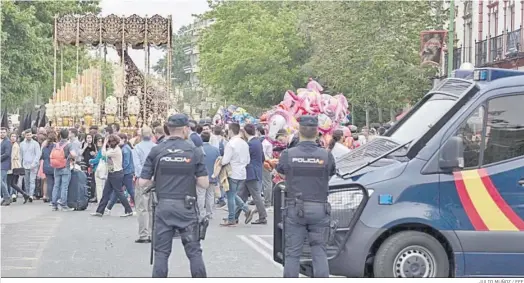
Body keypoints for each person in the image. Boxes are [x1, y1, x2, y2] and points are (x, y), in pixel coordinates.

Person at [138, 113, 209, 278]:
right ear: (185, 129)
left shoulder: (157, 150)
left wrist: (158, 179)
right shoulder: (194, 151)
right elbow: (204, 183)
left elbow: (142, 182)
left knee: (161, 253)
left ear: (168, 129)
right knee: (194, 252)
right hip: (187, 207)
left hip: (164, 207)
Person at [276, 115, 336, 278]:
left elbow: (280, 170)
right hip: (319, 208)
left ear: (299, 132)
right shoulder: (326, 155)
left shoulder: (288, 154)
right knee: (319, 252)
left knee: (292, 254)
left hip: (295, 208)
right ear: (317, 132)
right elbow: (331, 172)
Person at [91, 134, 133, 217]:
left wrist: (104, 144)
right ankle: (99, 211)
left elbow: (103, 154)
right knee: (106, 192)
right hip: (113, 173)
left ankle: (129, 210)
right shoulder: (115, 149)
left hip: (116, 174)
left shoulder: (115, 151)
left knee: (119, 193)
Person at [220, 123, 253, 226]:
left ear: (230, 130)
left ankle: (232, 218)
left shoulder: (231, 144)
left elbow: (225, 160)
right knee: (233, 194)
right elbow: (248, 160)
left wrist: (219, 161)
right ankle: (244, 210)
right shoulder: (245, 143)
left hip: (232, 172)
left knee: (230, 195)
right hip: (242, 172)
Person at [132, 126, 156, 243]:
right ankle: (152, 232)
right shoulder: (156, 148)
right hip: (154, 180)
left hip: (142, 179)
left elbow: (137, 166)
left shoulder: (137, 148)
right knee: (152, 207)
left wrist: (143, 176)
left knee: (142, 208)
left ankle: (144, 234)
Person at [240, 123, 267, 224]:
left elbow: (244, 158)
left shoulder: (250, 144)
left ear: (245, 132)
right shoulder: (258, 142)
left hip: (251, 173)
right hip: (255, 171)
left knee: (256, 196)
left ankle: (263, 216)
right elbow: (263, 158)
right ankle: (234, 216)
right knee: (241, 195)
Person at [104, 133, 135, 215]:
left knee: (129, 191)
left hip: (126, 173)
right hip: (125, 172)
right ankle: (109, 208)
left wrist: (119, 169)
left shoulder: (125, 149)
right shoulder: (124, 148)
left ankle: (135, 207)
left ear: (123, 139)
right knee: (118, 191)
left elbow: (126, 163)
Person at [51, 129, 77, 211]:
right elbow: (73, 154)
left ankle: (54, 204)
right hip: (65, 167)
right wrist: (71, 158)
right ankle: (63, 204)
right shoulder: (69, 145)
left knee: (56, 186)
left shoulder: (56, 145)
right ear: (67, 136)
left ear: (60, 135)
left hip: (56, 167)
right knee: (64, 187)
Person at [200, 131, 220, 219]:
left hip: (201, 176)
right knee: (210, 195)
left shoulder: (199, 149)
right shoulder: (215, 150)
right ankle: (209, 213)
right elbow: (219, 163)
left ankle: (200, 213)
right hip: (212, 175)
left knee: (201, 195)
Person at [20, 129, 41, 202]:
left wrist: (34, 163)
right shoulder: (22, 144)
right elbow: (21, 155)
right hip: (25, 164)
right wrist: (21, 164)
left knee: (32, 180)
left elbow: (38, 154)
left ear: (32, 135)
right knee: (26, 181)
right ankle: (27, 194)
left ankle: (31, 195)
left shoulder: (35, 144)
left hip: (33, 165)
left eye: (30, 135)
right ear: (25, 135)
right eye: (27, 135)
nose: (28, 136)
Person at [7, 132, 29, 203]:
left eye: (14, 136)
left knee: (10, 183)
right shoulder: (12, 144)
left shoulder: (15, 146)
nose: (13, 137)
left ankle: (8, 197)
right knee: (12, 183)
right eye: (12, 136)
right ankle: (24, 194)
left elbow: (12, 156)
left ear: (16, 138)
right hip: (14, 166)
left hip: (13, 166)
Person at [259, 125, 273, 209]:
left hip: (266, 162)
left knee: (267, 183)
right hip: (268, 162)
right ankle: (268, 201)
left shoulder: (265, 143)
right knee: (267, 182)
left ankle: (268, 201)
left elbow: (263, 154)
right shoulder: (268, 142)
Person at [41, 132, 57, 202]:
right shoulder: (56, 146)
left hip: (46, 166)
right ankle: (55, 198)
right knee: (56, 183)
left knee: (49, 183)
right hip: (54, 165)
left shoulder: (45, 147)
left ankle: (50, 198)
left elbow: (43, 157)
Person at [89, 135, 105, 202]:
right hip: (102, 169)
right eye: (98, 141)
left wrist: (90, 161)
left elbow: (97, 160)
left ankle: (99, 199)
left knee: (99, 186)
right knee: (101, 185)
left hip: (98, 169)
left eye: (100, 141)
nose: (99, 143)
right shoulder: (102, 150)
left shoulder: (101, 150)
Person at [1, 128, 12, 206]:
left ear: (6, 133)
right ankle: (5, 198)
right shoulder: (1, 141)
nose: (2, 134)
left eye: (3, 132)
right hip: (1, 164)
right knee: (3, 182)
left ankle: (7, 197)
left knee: (1, 181)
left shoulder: (7, 142)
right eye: (1, 132)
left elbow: (7, 154)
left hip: (4, 164)